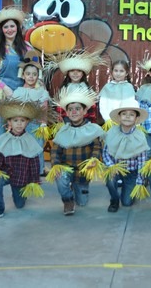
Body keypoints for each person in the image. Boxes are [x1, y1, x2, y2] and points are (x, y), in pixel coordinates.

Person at [0, 98, 51, 218]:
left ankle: (20, 194)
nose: (19, 124)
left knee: (20, 204)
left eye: (22, 120)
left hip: (21, 176)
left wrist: (34, 179)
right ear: (9, 122)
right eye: (15, 120)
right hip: (5, 173)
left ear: (27, 122)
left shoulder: (30, 140)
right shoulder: (3, 139)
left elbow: (34, 163)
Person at [51, 85, 104, 215]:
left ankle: (77, 188)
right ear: (67, 113)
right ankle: (67, 200)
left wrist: (94, 159)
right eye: (70, 109)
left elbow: (97, 147)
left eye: (78, 109)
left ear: (85, 111)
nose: (74, 112)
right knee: (61, 178)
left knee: (82, 202)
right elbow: (55, 150)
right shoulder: (63, 130)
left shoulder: (92, 129)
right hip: (66, 168)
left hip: (82, 172)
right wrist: (56, 165)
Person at [0, 6, 32, 141]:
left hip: (23, 94)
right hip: (2, 95)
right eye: (6, 27)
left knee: (25, 131)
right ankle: (0, 161)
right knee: (1, 132)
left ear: (17, 27)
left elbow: (35, 71)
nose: (9, 29)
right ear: (1, 30)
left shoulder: (27, 48)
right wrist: (4, 88)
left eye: (12, 26)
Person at [102, 100, 150, 212]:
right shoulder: (112, 133)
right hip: (116, 169)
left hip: (132, 172)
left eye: (131, 115)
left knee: (127, 203)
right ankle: (114, 200)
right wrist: (111, 166)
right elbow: (105, 152)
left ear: (136, 119)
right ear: (119, 117)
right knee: (110, 178)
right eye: (124, 114)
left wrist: (140, 180)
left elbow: (142, 162)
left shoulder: (140, 136)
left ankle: (130, 187)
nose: (127, 117)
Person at [12, 49, 50, 174]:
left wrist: (43, 123)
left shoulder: (41, 92)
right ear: (23, 75)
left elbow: (44, 108)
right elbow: (14, 109)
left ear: (37, 75)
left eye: (34, 74)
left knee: (37, 147)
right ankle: (23, 170)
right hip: (21, 124)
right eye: (28, 74)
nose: (31, 77)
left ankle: (38, 170)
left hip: (36, 124)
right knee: (22, 146)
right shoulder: (18, 92)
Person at [53, 49, 106, 123]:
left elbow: (92, 107)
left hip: (84, 119)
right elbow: (60, 107)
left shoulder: (87, 89)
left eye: (78, 71)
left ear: (83, 73)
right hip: (68, 119)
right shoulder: (65, 88)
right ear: (68, 73)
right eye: (72, 71)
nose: (75, 73)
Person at [98, 60, 137, 129]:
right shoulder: (107, 87)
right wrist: (107, 119)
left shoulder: (128, 87)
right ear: (112, 72)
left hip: (125, 122)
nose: (118, 74)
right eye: (116, 71)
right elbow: (103, 104)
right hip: (110, 121)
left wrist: (128, 119)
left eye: (121, 71)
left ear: (126, 73)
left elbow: (132, 104)